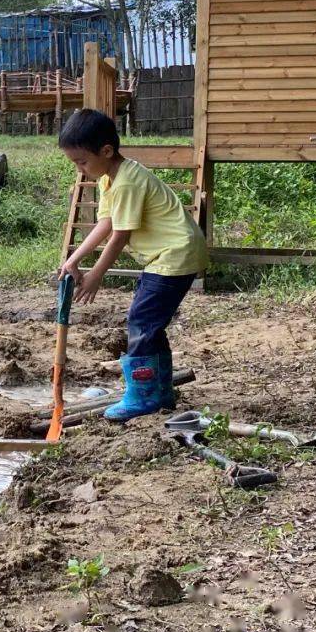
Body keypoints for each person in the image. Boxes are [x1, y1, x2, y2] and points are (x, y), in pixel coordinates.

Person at [59, 109, 208, 422]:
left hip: (175, 255)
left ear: (106, 151)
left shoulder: (127, 182)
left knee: (141, 321)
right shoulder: (108, 179)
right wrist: (75, 258)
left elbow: (120, 235)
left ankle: (142, 397)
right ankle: (160, 391)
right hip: (167, 256)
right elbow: (105, 223)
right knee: (149, 324)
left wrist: (96, 275)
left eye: (82, 162)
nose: (80, 169)